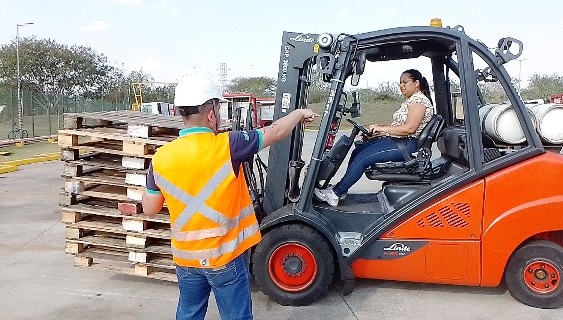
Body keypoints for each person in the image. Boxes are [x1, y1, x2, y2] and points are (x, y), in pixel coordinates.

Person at [141, 75, 316, 320]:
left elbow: (149, 208)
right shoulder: (229, 145)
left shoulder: (160, 158)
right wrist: (298, 113)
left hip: (186, 260)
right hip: (225, 258)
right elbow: (276, 132)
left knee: (189, 313)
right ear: (211, 113)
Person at [314, 69, 434, 207]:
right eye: (400, 83)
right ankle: (342, 189)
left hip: (406, 145)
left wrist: (384, 129)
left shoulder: (419, 101)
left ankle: (336, 193)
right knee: (357, 151)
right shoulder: (412, 100)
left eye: (405, 82)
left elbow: (409, 128)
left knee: (362, 158)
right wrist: (379, 128)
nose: (401, 85)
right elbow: (400, 126)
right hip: (400, 140)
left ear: (416, 83)